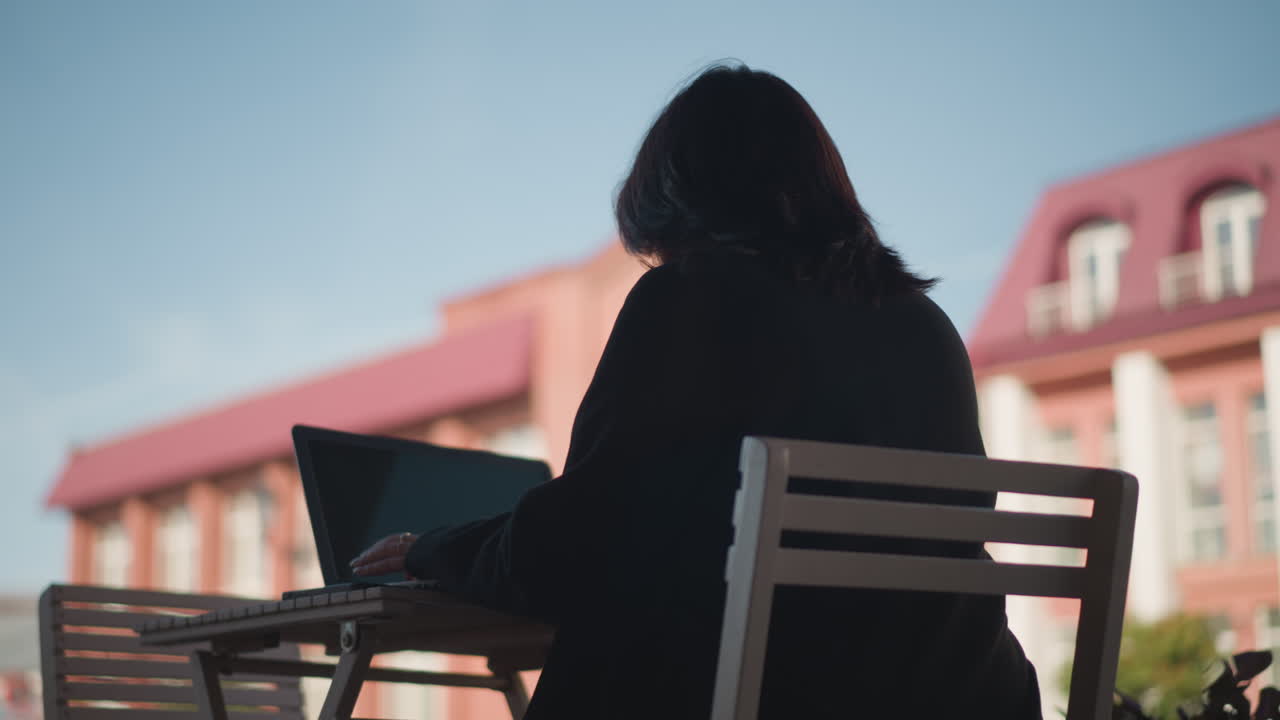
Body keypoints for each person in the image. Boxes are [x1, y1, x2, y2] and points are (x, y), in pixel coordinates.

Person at [351, 63, 1042, 719]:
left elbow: (575, 548)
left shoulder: (691, 299)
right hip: (964, 695)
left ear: (676, 199)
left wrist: (431, 550)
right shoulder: (926, 327)